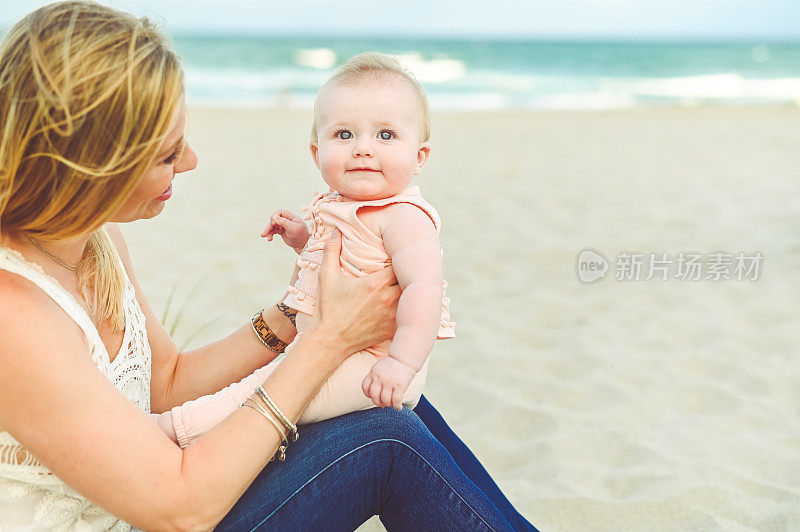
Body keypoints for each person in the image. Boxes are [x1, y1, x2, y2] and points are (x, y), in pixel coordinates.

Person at [0, 2, 536, 531]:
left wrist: (292, 314)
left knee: (395, 408)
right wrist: (327, 340)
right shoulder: (14, 313)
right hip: (172, 507)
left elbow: (165, 384)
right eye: (167, 154)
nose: (190, 161)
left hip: (171, 493)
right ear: (93, 164)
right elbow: (180, 507)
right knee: (385, 438)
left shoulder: (96, 237)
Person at [261, 52, 454, 422]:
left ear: (420, 156)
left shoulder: (404, 218)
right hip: (334, 348)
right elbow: (336, 262)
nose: (363, 148)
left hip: (375, 365)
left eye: (386, 135)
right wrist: (302, 238)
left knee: (259, 400)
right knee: (260, 388)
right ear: (317, 153)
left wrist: (400, 363)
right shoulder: (337, 207)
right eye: (344, 134)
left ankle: (182, 429)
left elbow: (423, 290)